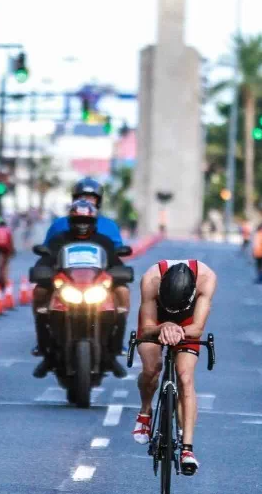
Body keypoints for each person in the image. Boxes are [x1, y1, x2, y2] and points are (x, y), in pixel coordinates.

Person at [132, 258, 217, 477]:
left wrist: (178, 330)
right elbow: (148, 327)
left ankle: (187, 449)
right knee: (153, 368)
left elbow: (197, 328)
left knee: (185, 377)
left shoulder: (207, 278)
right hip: (156, 321)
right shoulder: (151, 278)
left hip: (188, 325)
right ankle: (145, 412)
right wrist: (164, 326)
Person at [31, 200, 127, 378]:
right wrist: (43, 272)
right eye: (78, 221)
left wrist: (119, 274)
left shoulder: (104, 241)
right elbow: (44, 262)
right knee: (39, 291)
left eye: (87, 221)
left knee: (122, 293)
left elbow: (116, 265)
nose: (82, 225)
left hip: (96, 290)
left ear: (93, 222)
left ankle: (114, 351)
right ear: (70, 222)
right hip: (66, 290)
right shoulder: (59, 240)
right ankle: (45, 350)